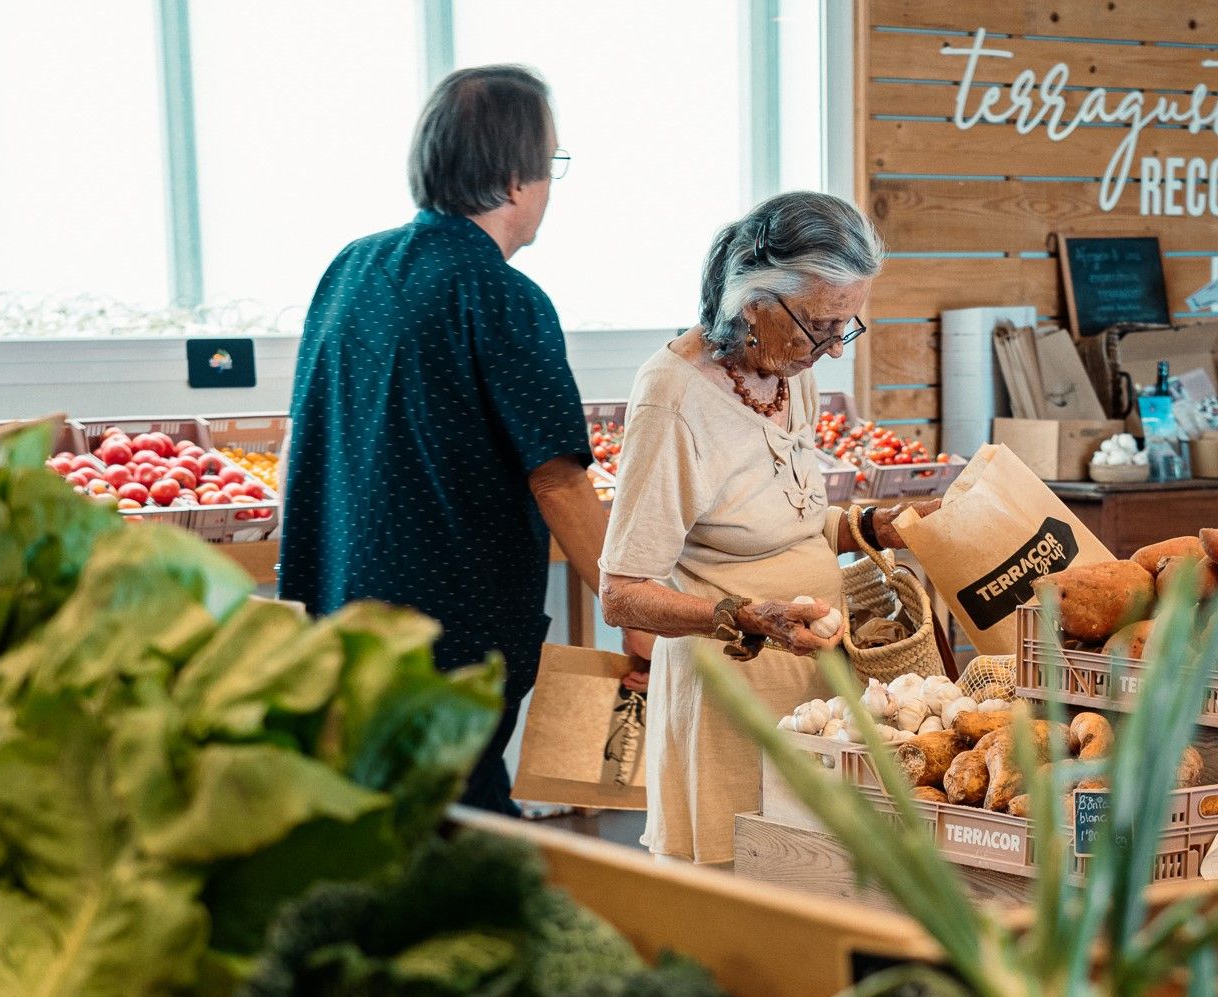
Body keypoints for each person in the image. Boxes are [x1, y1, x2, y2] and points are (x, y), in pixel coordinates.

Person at [280, 64, 653, 814]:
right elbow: (560, 480)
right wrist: (638, 617)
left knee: (374, 823)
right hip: (444, 642)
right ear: (516, 178)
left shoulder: (350, 268)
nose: (550, 184)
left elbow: (305, 436)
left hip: (338, 623)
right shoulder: (503, 296)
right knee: (463, 830)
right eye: (552, 164)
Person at [600, 192, 939, 865]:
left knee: (825, 893)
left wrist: (880, 525)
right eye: (820, 325)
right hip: (732, 704)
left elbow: (793, 523)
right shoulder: (673, 397)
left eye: (848, 325)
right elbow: (622, 594)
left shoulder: (790, 370)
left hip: (816, 692)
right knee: (744, 909)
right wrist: (750, 616)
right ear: (751, 300)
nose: (835, 349)